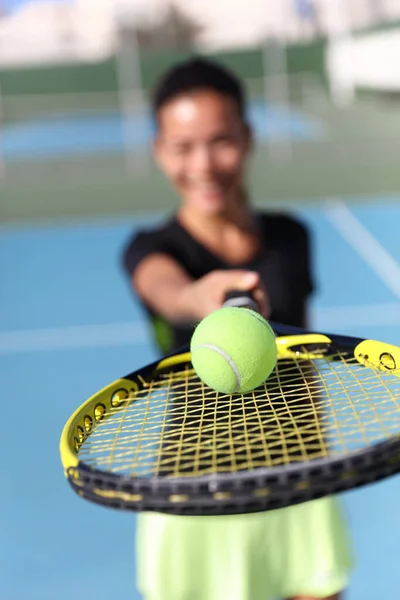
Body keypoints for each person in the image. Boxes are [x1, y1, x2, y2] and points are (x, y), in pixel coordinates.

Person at [122, 57, 353, 600]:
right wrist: (201, 299)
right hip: (196, 485)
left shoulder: (290, 237)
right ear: (159, 150)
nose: (203, 165)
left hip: (296, 474)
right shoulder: (151, 250)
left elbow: (307, 359)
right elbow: (166, 289)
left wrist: (321, 458)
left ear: (247, 139)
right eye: (182, 146)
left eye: (220, 140)